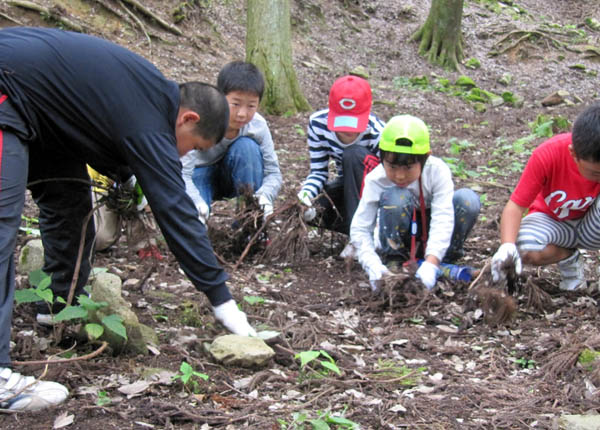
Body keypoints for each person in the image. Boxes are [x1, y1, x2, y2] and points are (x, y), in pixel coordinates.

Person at [0, 27, 256, 411]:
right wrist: (222, 300)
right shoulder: (149, 116)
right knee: (3, 223)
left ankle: (56, 308)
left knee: (70, 198)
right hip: (8, 90)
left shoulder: (148, 98)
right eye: (194, 147)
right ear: (188, 118)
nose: (184, 157)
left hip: (40, 113)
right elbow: (175, 210)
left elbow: (100, 132)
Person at [350, 115, 481, 291]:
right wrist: (372, 266)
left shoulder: (437, 171)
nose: (400, 176)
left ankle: (443, 261)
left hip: (432, 232)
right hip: (399, 236)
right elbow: (360, 228)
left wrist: (432, 262)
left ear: (425, 158)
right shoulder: (376, 180)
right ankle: (395, 263)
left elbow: (443, 217)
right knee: (396, 197)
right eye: (392, 167)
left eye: (408, 167)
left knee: (467, 200)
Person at [491, 103, 600, 291]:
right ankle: (569, 257)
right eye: (595, 173)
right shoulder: (548, 154)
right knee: (523, 247)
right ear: (573, 153)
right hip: (552, 221)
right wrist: (506, 247)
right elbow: (516, 206)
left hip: (593, 225)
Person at [181, 61, 282, 224]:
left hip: (235, 173)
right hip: (198, 174)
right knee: (195, 222)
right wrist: (196, 201)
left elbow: (273, 173)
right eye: (235, 104)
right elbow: (182, 173)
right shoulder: (201, 121)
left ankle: (249, 227)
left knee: (248, 148)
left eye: (251, 106)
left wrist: (264, 196)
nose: (242, 114)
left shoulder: (257, 126)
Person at [297, 75, 385, 256]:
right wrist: (306, 195)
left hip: (374, 193)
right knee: (314, 209)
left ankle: (364, 235)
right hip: (347, 188)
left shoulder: (378, 133)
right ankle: (355, 229)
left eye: (354, 123)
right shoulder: (318, 125)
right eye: (341, 123)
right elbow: (319, 172)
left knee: (353, 154)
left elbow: (387, 182)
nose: (347, 131)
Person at [87, 166, 162, 260]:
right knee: (99, 240)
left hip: (120, 179)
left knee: (139, 194)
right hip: (92, 184)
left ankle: (144, 245)